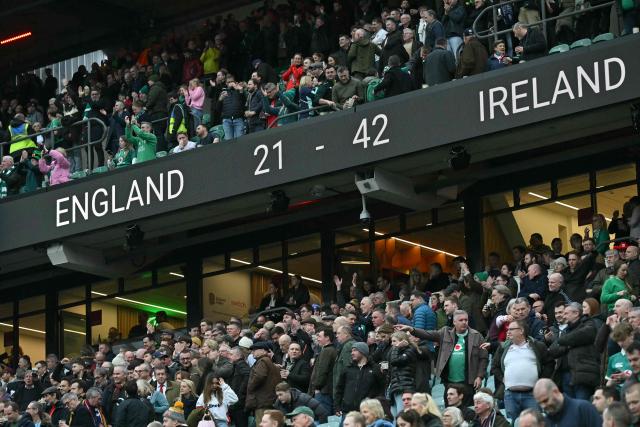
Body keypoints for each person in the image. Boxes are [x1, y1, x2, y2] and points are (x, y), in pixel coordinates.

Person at [402, 310, 488, 406]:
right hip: (449, 382)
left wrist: (480, 376)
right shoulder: (445, 332)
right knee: (450, 411)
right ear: (454, 322)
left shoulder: (477, 336)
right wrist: (412, 330)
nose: (464, 322)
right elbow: (427, 334)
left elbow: (483, 358)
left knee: (468, 411)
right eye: (461, 320)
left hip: (468, 382)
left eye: (466, 320)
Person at [491, 319, 553, 420]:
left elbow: (550, 363)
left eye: (511, 329)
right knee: (512, 423)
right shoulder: (503, 347)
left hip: (532, 394)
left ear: (521, 331)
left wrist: (541, 380)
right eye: (508, 329)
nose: (508, 332)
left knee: (535, 423)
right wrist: (502, 378)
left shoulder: (537, 346)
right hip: (510, 395)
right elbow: (494, 366)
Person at [334, 341, 385, 416]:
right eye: (351, 351)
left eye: (355, 350)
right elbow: (339, 389)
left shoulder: (375, 369)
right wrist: (337, 407)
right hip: (347, 412)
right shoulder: (347, 369)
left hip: (367, 411)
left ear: (363, 352)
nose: (352, 353)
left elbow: (381, 388)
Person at [533, 378, 601, 426]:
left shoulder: (583, 408)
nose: (543, 406)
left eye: (545, 400)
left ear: (555, 392)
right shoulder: (545, 421)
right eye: (540, 403)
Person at [246, 342, 280, 423]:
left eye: (254, 350)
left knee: (263, 423)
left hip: (262, 401)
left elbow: (259, 376)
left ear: (263, 351)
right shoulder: (268, 361)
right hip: (267, 400)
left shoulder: (262, 361)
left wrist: (250, 386)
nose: (252, 352)